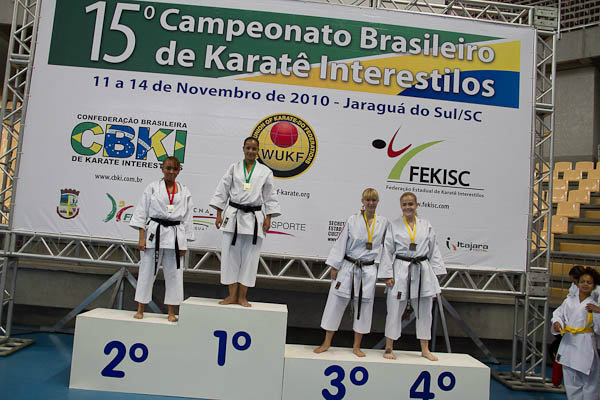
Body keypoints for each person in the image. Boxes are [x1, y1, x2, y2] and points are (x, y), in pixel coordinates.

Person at [314, 188, 392, 357]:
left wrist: (387, 274)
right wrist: (335, 266)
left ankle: (357, 347)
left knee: (364, 308)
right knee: (335, 303)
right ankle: (326, 342)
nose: (371, 203)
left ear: (377, 202)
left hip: (368, 269)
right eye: (368, 200)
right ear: (362, 201)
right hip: (348, 266)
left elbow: (387, 249)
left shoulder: (383, 223)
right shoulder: (353, 220)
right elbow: (341, 242)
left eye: (374, 200)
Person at [209, 137, 281, 307]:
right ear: (243, 149)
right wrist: (219, 214)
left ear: (258, 151)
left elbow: (270, 195)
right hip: (233, 216)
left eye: (254, 149)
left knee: (250, 260)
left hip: (254, 218)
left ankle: (242, 297)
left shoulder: (265, 172)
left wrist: (268, 217)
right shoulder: (234, 168)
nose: (250, 151)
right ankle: (231, 296)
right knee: (230, 258)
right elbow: (222, 190)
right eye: (248, 148)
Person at [379, 192, 446, 361]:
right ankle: (389, 347)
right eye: (404, 204)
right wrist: (387, 275)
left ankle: (425, 349)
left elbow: (433, 249)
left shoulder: (426, 225)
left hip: (422, 269)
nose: (407, 207)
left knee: (425, 311)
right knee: (394, 309)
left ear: (417, 205)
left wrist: (437, 273)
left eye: (410, 204)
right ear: (401, 206)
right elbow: (387, 250)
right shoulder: (394, 225)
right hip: (400, 268)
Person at [129, 156, 194, 322]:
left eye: (175, 169)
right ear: (162, 168)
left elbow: (188, 218)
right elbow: (142, 212)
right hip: (154, 233)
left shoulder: (185, 190)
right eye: (168, 168)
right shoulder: (152, 187)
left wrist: (184, 243)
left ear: (179, 170)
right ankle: (140, 308)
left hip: (175, 235)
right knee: (147, 272)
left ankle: (171, 312)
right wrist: (141, 238)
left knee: (174, 274)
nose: (171, 172)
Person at [552, 267, 600, 400]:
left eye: (589, 282)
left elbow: (598, 329)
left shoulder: (593, 305)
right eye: (582, 281)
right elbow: (558, 314)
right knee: (571, 381)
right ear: (577, 283)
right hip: (569, 343)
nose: (585, 284)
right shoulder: (568, 301)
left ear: (594, 286)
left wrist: (598, 312)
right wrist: (557, 323)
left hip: (586, 344)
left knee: (590, 382)